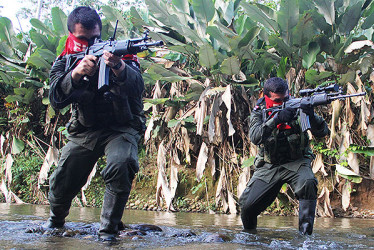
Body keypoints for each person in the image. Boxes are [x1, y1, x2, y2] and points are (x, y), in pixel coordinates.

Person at [47, 6, 145, 242]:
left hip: (122, 126)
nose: (89, 43)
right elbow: (56, 99)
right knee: (62, 180)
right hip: (85, 129)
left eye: (95, 38)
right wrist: (76, 75)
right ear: (71, 35)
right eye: (83, 39)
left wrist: (119, 67)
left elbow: (138, 87)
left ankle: (108, 233)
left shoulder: (124, 57)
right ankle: (55, 224)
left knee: (121, 164)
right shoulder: (64, 61)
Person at [239, 77, 330, 235]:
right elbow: (254, 137)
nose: (282, 103)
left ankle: (305, 237)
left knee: (308, 182)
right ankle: (249, 236)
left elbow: (322, 132)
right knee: (247, 205)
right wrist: (277, 119)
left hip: (297, 161)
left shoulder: (297, 105)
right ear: (267, 96)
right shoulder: (260, 111)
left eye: (285, 98)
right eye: (277, 100)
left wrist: (310, 114)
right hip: (269, 165)